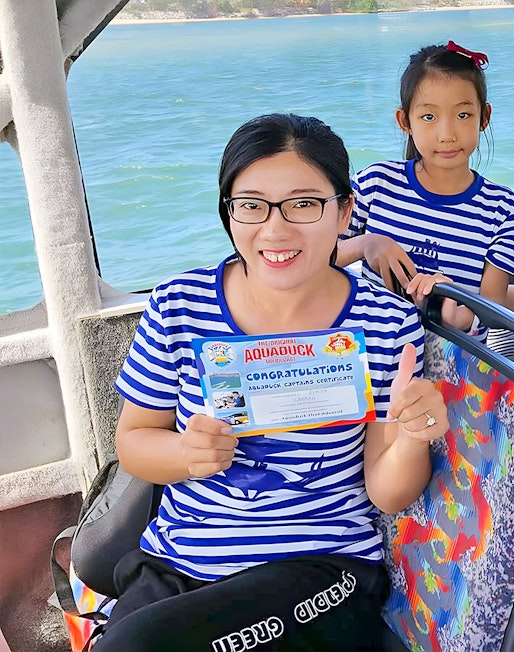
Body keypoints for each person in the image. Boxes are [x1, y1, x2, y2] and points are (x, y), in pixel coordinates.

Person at [96, 113, 448, 652]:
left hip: (322, 572)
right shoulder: (178, 308)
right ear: (229, 214)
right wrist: (185, 454)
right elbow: (134, 442)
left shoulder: (385, 324)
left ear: (344, 212)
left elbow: (387, 491)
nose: (275, 229)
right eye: (251, 205)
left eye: (304, 204)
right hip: (177, 562)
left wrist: (412, 434)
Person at [336, 40, 514, 332]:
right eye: (429, 117)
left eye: (463, 115)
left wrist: (455, 309)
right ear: (405, 121)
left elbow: (493, 313)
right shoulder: (376, 184)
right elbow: (316, 258)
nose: (447, 134)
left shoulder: (503, 210)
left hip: (454, 368)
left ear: (485, 117)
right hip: (377, 357)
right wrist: (367, 243)